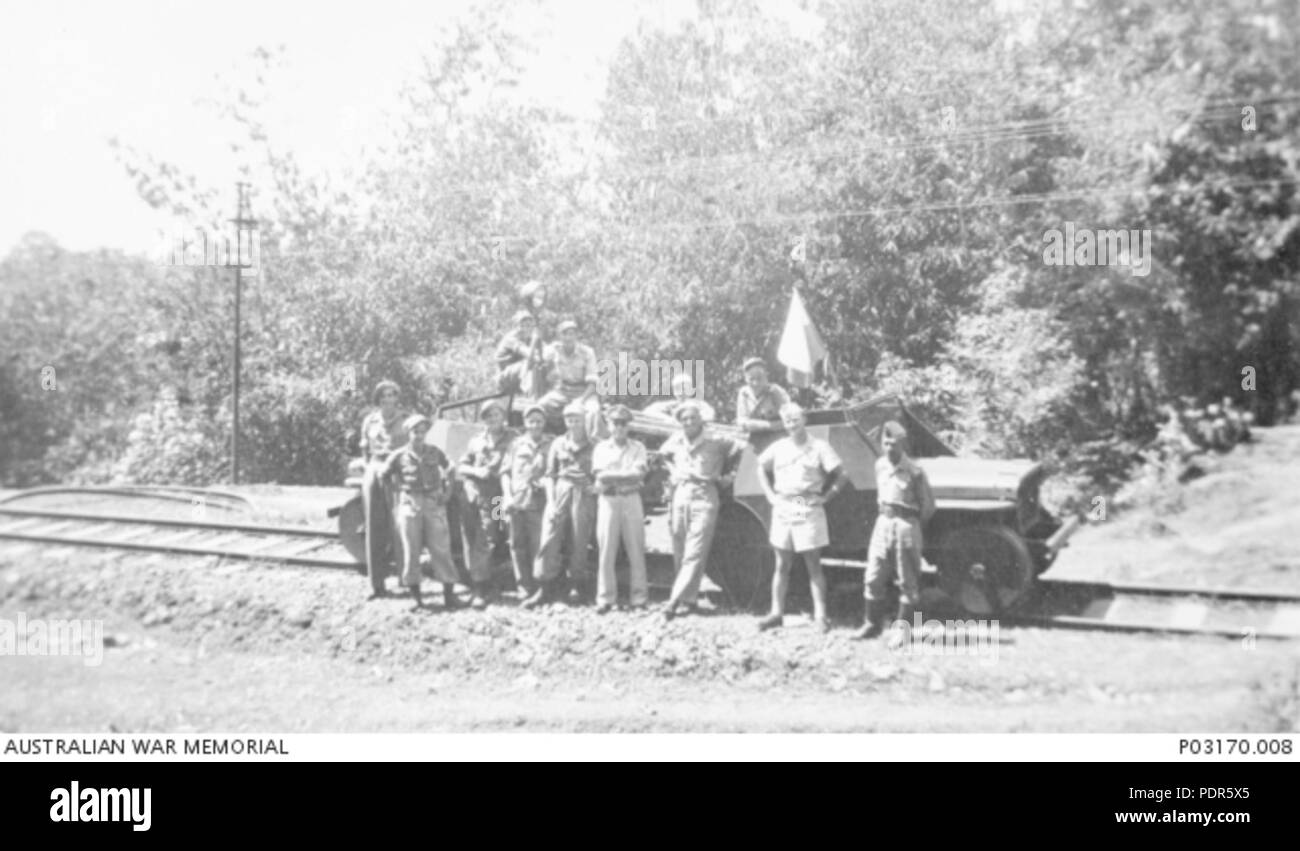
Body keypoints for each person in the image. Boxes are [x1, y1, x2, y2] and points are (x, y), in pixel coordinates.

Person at [756, 402, 849, 633]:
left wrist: (826, 497)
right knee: (781, 564)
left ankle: (820, 617)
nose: (791, 425)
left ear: (804, 419)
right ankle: (776, 613)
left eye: (795, 420)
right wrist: (770, 495)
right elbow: (760, 467)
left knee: (813, 564)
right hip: (784, 504)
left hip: (806, 503)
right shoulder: (779, 447)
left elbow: (842, 474)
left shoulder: (819, 446)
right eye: (787, 421)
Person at [660, 401, 744, 620]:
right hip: (680, 494)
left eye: (692, 418)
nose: (688, 422)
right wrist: (673, 472)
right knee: (679, 546)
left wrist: (730, 477)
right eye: (684, 419)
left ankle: (673, 600)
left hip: (705, 495)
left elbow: (742, 450)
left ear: (701, 420)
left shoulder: (716, 439)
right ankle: (689, 599)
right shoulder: (676, 439)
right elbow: (663, 455)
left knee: (695, 550)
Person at [853, 421, 935, 643]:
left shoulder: (915, 472)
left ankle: (902, 631)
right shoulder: (880, 465)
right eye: (885, 442)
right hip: (883, 523)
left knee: (907, 581)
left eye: (894, 443)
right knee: (873, 576)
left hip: (905, 525)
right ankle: (872, 624)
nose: (889, 447)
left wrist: (911, 527)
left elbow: (927, 507)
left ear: (903, 444)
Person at [382, 415, 459, 610]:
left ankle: (449, 596)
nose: (419, 435)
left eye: (422, 431)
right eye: (415, 432)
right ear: (408, 434)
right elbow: (384, 474)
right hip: (410, 503)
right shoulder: (399, 455)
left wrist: (448, 492)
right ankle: (416, 598)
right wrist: (397, 494)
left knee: (441, 549)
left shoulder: (434, 452)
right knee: (411, 551)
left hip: (433, 502)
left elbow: (451, 467)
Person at [527, 400, 598, 608]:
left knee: (579, 539)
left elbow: (600, 472)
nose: (573, 423)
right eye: (569, 419)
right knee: (549, 538)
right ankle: (544, 586)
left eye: (577, 419)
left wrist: (593, 486)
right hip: (559, 490)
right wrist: (551, 501)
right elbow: (549, 475)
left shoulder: (594, 445)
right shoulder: (558, 443)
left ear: (585, 420)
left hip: (583, 494)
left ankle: (576, 585)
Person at [455, 399, 515, 609]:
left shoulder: (513, 438)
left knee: (495, 535)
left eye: (497, 414)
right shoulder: (476, 441)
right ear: (484, 419)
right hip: (477, 495)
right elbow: (462, 465)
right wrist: (476, 471)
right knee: (480, 537)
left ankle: (488, 581)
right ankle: (479, 586)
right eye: (489, 416)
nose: (493, 419)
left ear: (503, 417)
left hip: (499, 496)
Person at [591, 404, 649, 613]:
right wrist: (627, 475)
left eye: (623, 423)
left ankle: (639, 598)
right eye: (615, 423)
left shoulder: (638, 447)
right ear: (608, 424)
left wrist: (614, 475)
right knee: (607, 549)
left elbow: (639, 474)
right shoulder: (600, 448)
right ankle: (605, 598)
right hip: (608, 500)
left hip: (631, 499)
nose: (619, 427)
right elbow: (601, 476)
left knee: (636, 548)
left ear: (629, 425)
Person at [358, 380, 408, 598]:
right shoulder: (370, 421)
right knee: (374, 528)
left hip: (398, 471)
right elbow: (364, 450)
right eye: (383, 396)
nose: (388, 400)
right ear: (378, 400)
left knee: (401, 526)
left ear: (398, 398)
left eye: (392, 395)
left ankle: (407, 580)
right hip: (375, 469)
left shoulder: (406, 420)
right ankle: (377, 584)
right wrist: (370, 468)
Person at [500, 404, 552, 599]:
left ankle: (540, 586)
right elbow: (505, 473)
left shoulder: (551, 444)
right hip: (514, 502)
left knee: (538, 544)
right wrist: (506, 497)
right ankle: (523, 586)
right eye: (531, 421)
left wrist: (546, 482)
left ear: (544, 422)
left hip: (539, 502)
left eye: (539, 421)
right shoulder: (515, 445)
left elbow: (555, 471)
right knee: (516, 544)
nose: (535, 425)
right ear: (525, 423)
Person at [538, 319, 603, 437]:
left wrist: (581, 400)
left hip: (584, 392)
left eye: (571, 334)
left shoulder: (587, 352)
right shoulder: (555, 350)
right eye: (564, 334)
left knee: (593, 412)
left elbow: (593, 384)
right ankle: (549, 437)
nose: (568, 338)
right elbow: (539, 360)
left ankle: (592, 443)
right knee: (541, 406)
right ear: (559, 336)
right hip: (562, 391)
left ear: (576, 336)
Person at [495, 310, 546, 397]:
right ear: (515, 326)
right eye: (522, 325)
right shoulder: (510, 339)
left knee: (546, 365)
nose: (526, 329)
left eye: (529, 326)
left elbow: (546, 350)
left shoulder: (529, 338)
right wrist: (536, 344)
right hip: (504, 378)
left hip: (517, 375)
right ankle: (531, 396)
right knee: (531, 363)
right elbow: (528, 354)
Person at [736, 357, 791, 432]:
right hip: (754, 438)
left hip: (777, 436)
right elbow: (742, 422)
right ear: (745, 379)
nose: (756, 383)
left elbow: (789, 421)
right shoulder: (744, 393)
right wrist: (773, 425)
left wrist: (754, 425)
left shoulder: (776, 391)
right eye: (751, 379)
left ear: (766, 376)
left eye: (759, 378)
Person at [644, 373, 717, 423]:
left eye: (685, 388)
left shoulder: (700, 404)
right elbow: (647, 411)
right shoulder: (672, 405)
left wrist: (690, 420)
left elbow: (710, 415)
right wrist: (668, 419)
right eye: (677, 388)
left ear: (691, 390)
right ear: (674, 391)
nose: (681, 392)